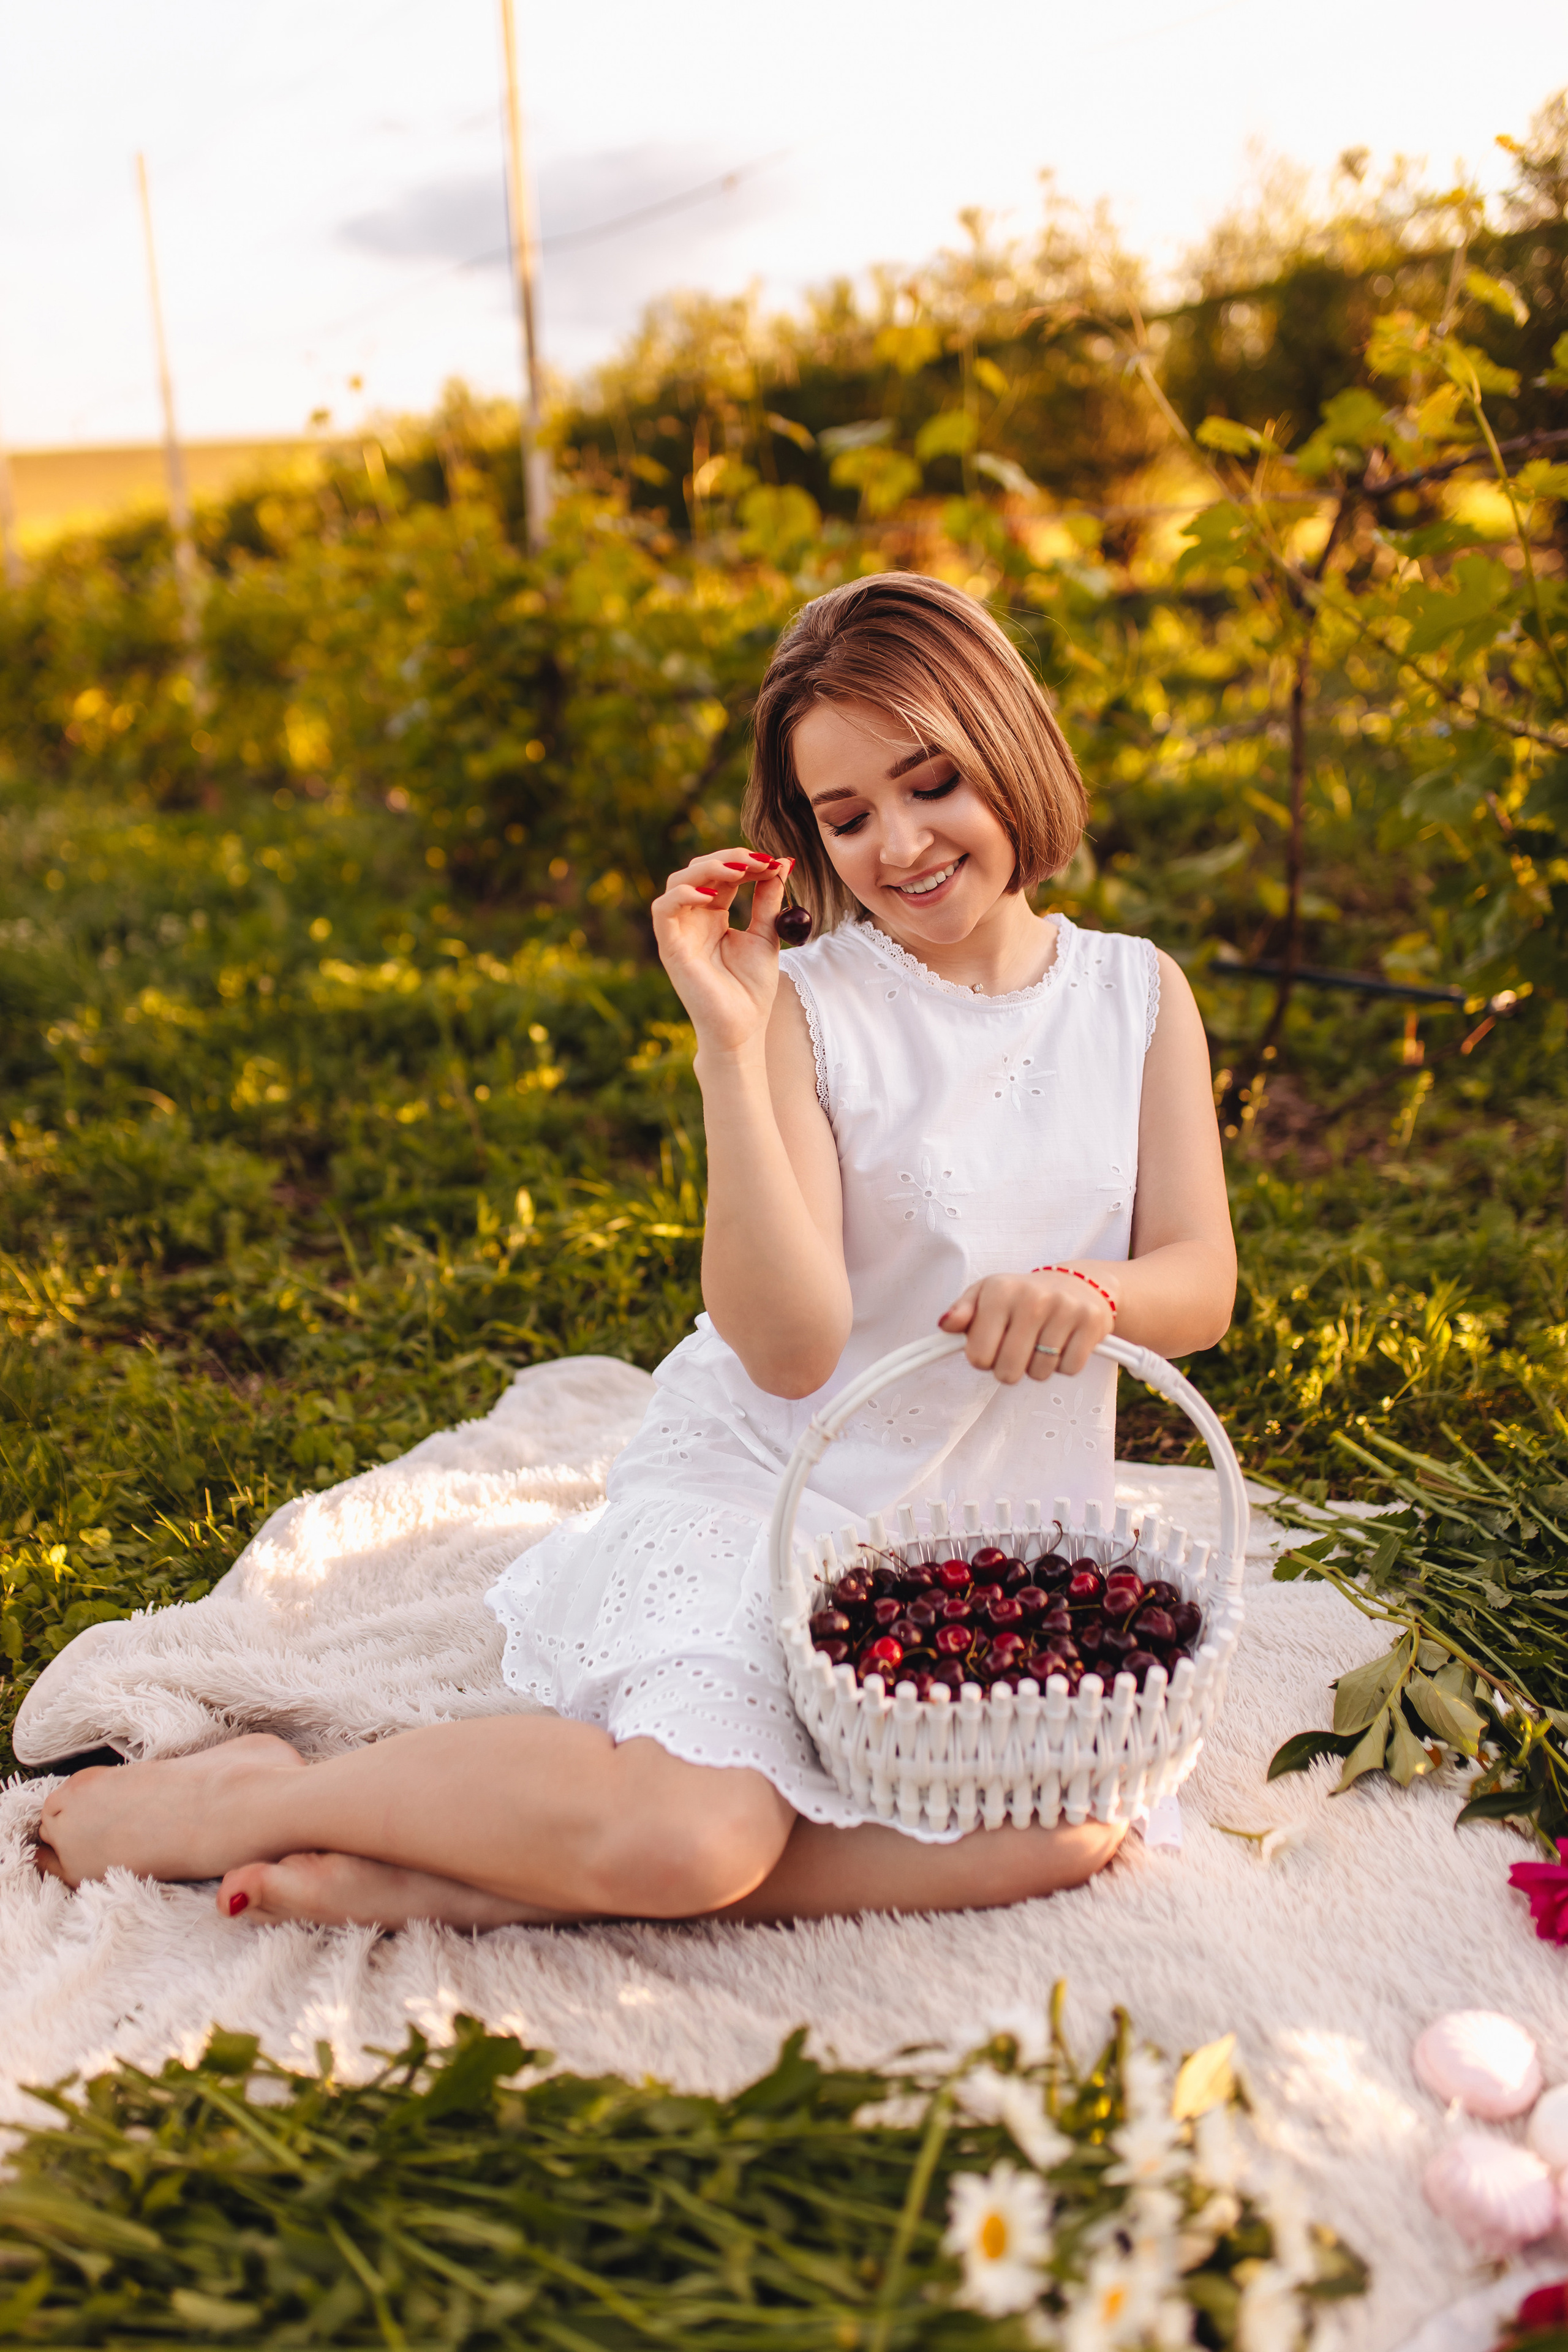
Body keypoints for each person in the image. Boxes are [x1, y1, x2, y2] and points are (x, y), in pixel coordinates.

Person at [34, 574, 1235, 1928]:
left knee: (1073, 1827)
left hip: (976, 1546)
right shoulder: (809, 1009)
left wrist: (1093, 1290)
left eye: (932, 784)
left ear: (1010, 749)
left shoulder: (1135, 993)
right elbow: (788, 1353)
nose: (899, 844)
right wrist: (729, 1046)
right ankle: (252, 1800)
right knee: (692, 1836)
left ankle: (496, 1883)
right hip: (773, 1495)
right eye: (846, 817)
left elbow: (1198, 1279)